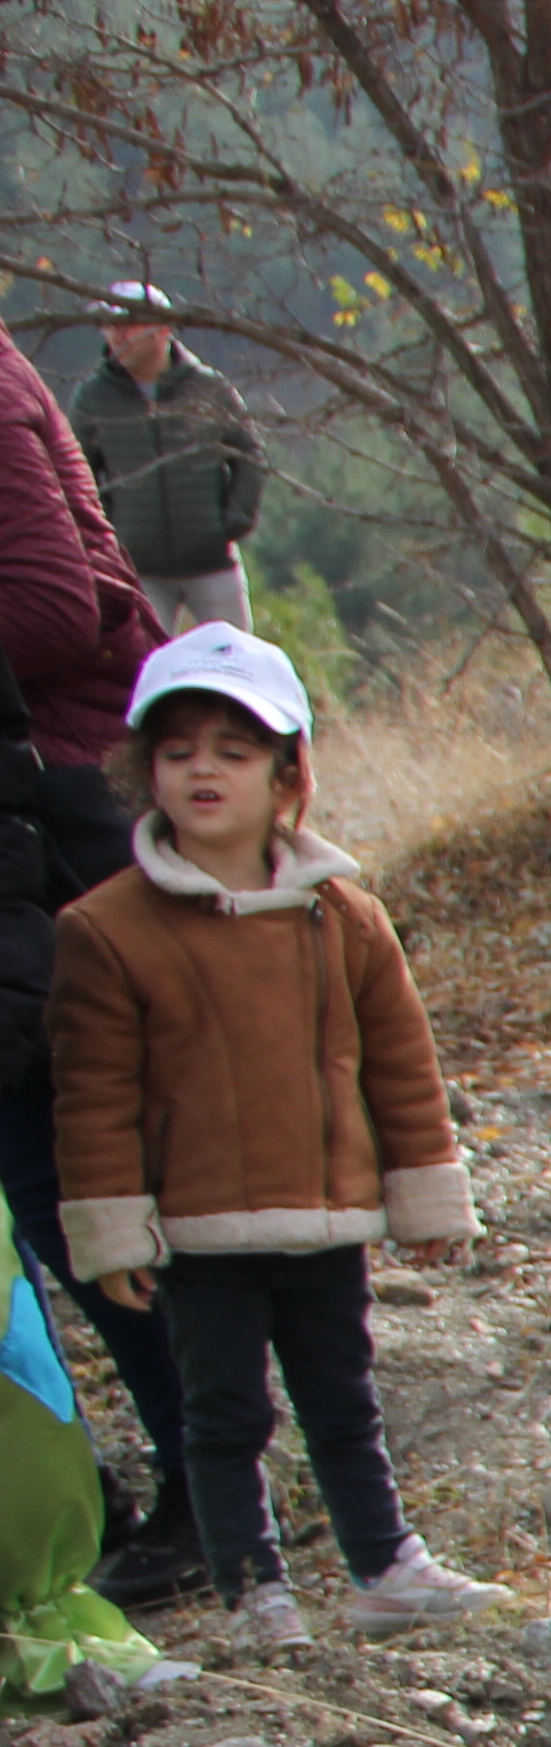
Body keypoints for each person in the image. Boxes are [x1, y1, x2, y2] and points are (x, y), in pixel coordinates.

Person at [46, 625, 507, 1649]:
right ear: (144, 772)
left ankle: (385, 1566)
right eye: (178, 752)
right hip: (202, 1234)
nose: (204, 770)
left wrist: (425, 1197)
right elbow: (94, 1094)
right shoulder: (106, 930)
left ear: (288, 770)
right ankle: (255, 1593)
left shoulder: (346, 917)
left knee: (343, 1402)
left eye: (234, 749)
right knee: (222, 1418)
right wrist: (115, 1234)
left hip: (325, 1218)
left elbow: (400, 1066)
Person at [0, 342, 187, 1612]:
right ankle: (90, 1482)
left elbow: (54, 605)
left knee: (62, 1156)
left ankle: (207, 1483)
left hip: (53, 800)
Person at [69, 291, 266, 637]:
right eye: (110, 326)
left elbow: (250, 456)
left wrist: (232, 522)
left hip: (212, 565)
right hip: (139, 573)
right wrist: (109, 536)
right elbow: (75, 473)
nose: (118, 335)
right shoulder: (93, 397)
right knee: (148, 675)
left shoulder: (208, 387)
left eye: (130, 324)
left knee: (233, 668)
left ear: (163, 328)